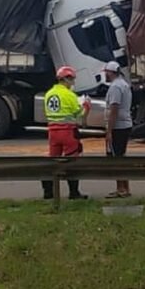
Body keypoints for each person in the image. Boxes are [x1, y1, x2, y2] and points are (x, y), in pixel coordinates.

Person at [42, 66, 90, 200]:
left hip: (52, 133)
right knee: (72, 160)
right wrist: (86, 106)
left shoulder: (49, 94)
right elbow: (79, 114)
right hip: (68, 132)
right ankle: (74, 193)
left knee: (53, 160)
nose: (73, 83)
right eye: (72, 79)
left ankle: (48, 192)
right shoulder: (69, 95)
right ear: (66, 79)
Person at [103, 61, 133, 199]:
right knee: (121, 157)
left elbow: (114, 109)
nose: (105, 75)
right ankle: (125, 188)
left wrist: (109, 131)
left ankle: (121, 188)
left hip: (118, 127)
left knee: (117, 159)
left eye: (106, 72)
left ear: (111, 72)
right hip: (124, 125)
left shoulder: (115, 87)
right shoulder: (124, 84)